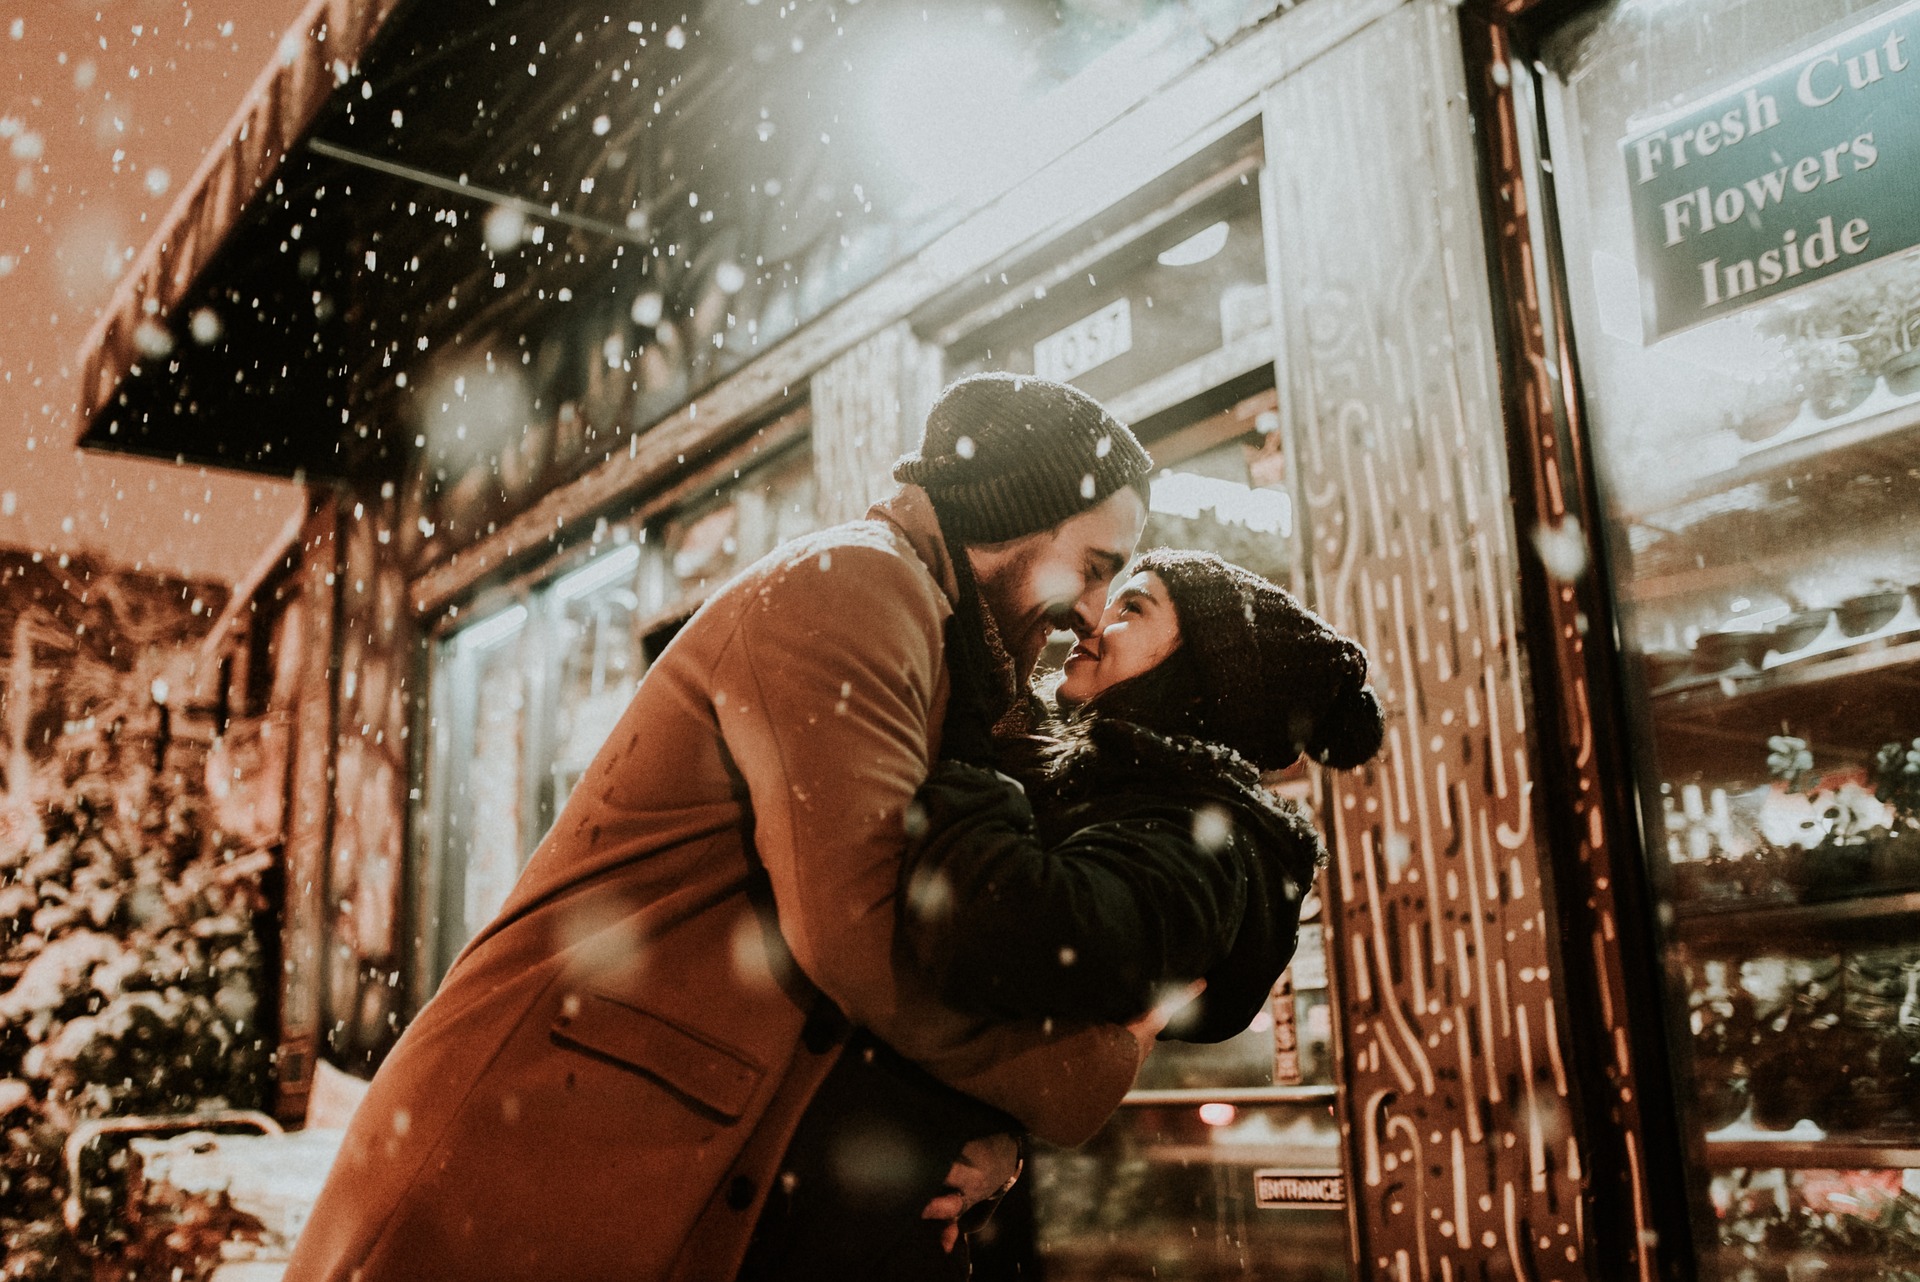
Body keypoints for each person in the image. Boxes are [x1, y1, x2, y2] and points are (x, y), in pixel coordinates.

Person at [283, 373, 1159, 1282]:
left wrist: (985, 1131)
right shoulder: (858, 587)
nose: (1095, 612)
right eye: (1095, 567)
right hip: (531, 1159)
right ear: (1013, 516)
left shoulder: (950, 651)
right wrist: (1081, 1071)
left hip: (613, 1169)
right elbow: (861, 935)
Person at [737, 551, 1385, 1279]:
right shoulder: (1113, 800)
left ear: (1198, 675)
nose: (1094, 618)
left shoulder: (1195, 839)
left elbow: (1005, 932)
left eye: (1133, 607)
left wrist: (966, 748)